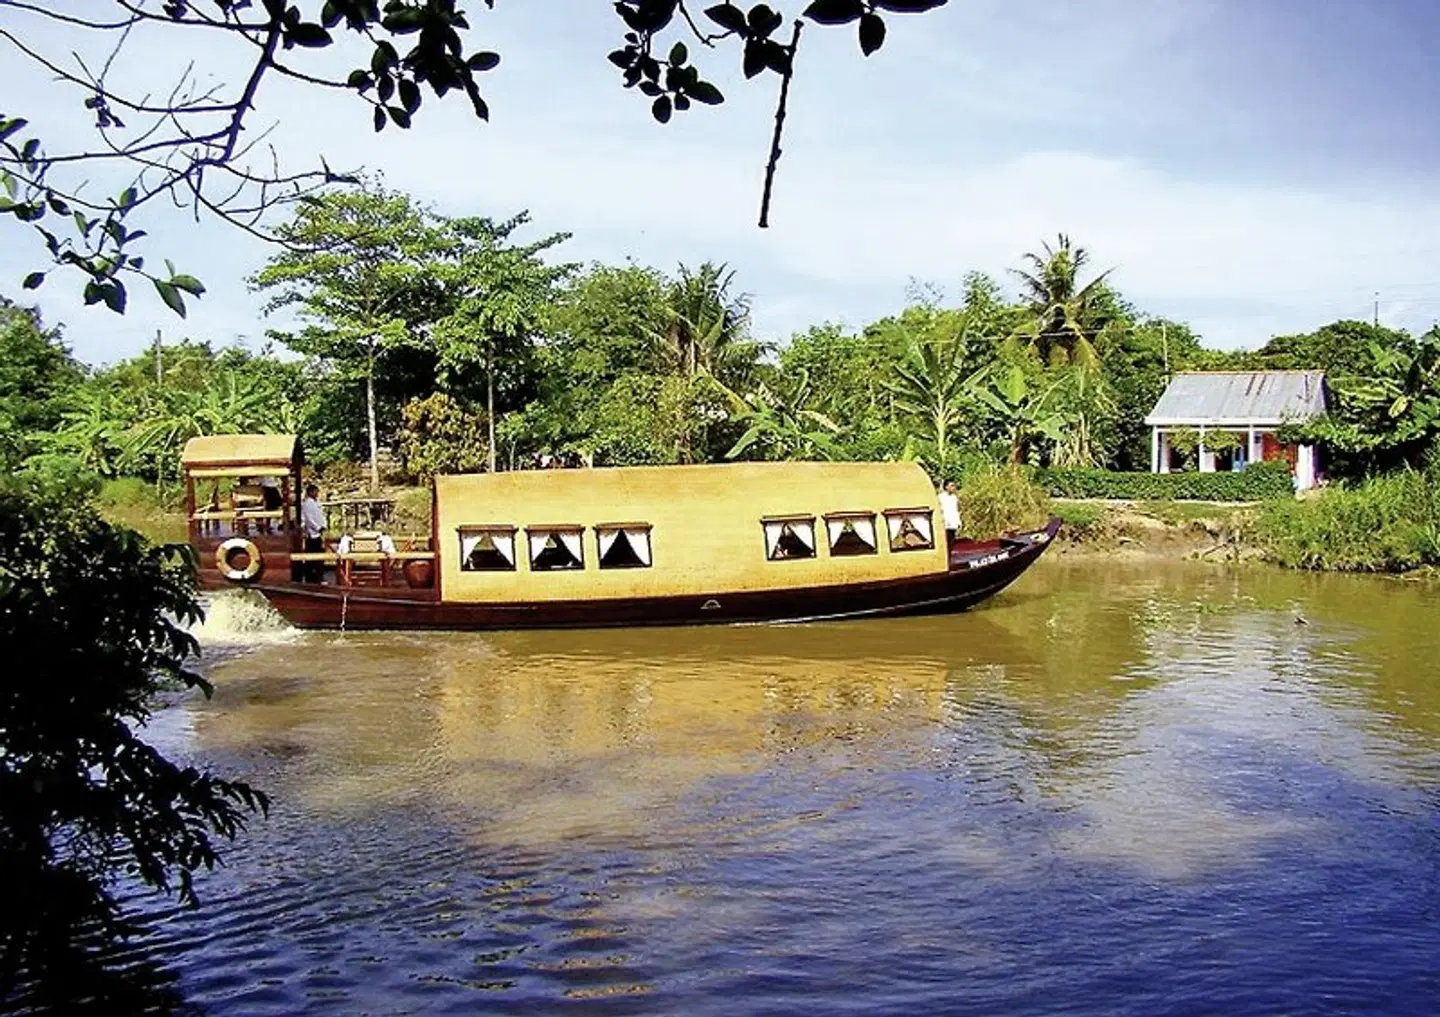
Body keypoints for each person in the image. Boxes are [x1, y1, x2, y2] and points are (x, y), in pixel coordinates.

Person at [300, 483, 326, 582]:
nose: (317, 493)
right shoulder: (307, 504)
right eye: (315, 491)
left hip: (318, 533)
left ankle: (318, 576)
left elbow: (320, 516)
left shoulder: (316, 503)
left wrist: (323, 526)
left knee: (319, 554)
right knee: (312, 555)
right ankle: (310, 576)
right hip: (312, 533)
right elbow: (308, 519)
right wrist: (317, 527)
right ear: (310, 492)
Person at [939, 479, 962, 546]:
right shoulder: (941, 497)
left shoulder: (954, 498)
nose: (953, 488)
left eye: (954, 486)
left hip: (953, 524)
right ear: (946, 487)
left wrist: (958, 522)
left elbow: (955, 510)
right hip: (945, 524)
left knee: (952, 542)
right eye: (951, 486)